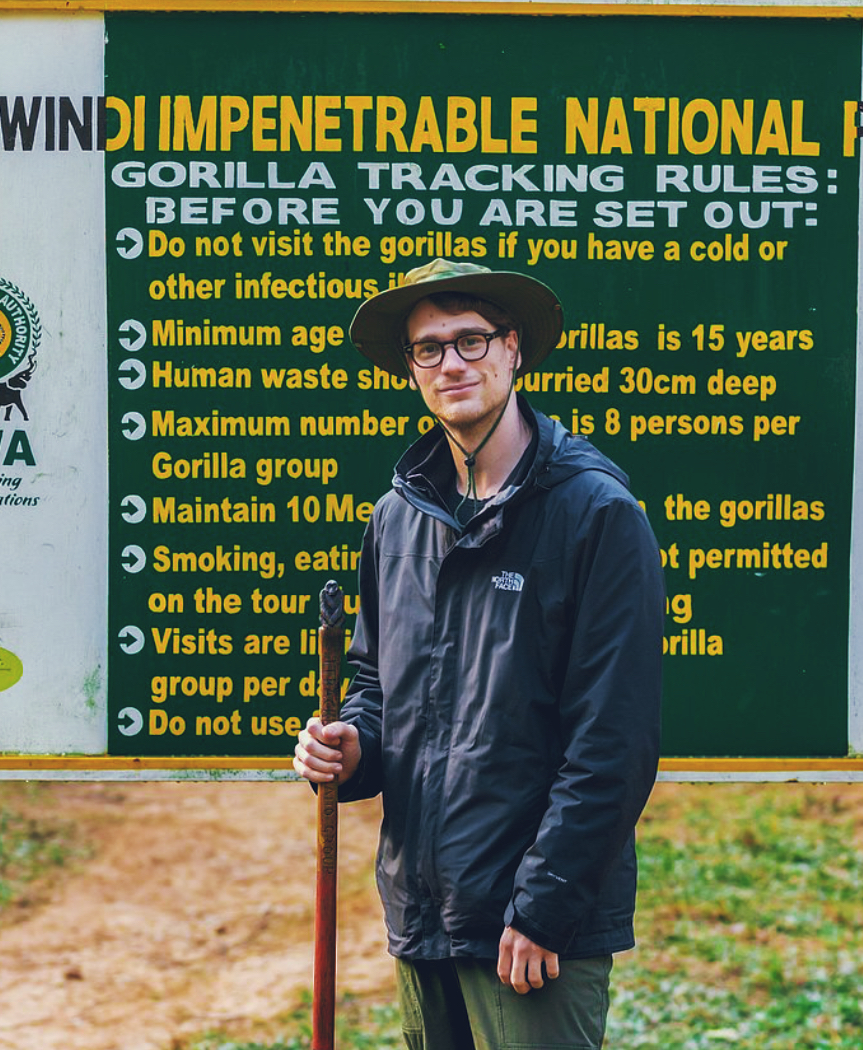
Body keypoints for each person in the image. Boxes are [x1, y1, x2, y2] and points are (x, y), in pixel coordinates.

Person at [293, 258, 664, 1049]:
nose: (452, 364)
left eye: (472, 340)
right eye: (429, 349)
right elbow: (377, 685)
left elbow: (613, 742)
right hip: (424, 912)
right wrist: (353, 746)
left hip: (529, 931)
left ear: (514, 348)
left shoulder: (596, 514)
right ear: (411, 369)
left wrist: (544, 906)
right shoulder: (397, 519)